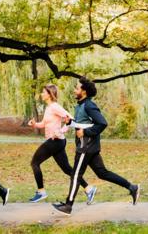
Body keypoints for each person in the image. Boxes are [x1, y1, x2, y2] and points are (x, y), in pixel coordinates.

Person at [52, 77, 140, 215]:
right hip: (89, 146)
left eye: (77, 88)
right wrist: (71, 123)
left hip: (86, 147)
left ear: (84, 91)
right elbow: (83, 124)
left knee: (75, 174)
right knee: (102, 173)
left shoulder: (89, 105)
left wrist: (86, 132)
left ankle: (68, 205)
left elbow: (102, 123)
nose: (75, 90)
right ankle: (132, 187)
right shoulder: (80, 105)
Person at [28, 84, 97, 204]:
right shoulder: (49, 107)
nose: (41, 94)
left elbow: (71, 119)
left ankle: (41, 191)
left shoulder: (55, 106)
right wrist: (34, 124)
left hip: (55, 141)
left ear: (50, 94)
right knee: (67, 169)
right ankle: (89, 189)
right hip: (57, 142)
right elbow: (44, 124)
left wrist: (60, 131)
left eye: (43, 92)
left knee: (34, 163)